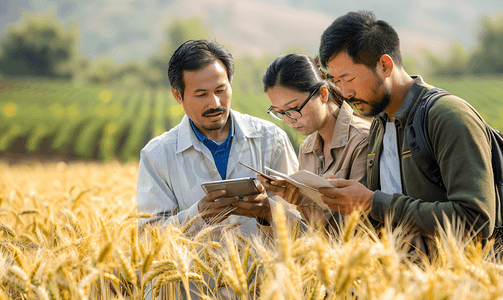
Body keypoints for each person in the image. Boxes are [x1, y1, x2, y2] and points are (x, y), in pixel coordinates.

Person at [316, 11, 497, 247]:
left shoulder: (447, 116)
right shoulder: (379, 126)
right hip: (403, 281)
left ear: (385, 65)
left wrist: (373, 202)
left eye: (348, 79)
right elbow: (388, 219)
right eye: (336, 81)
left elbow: (477, 221)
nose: (345, 93)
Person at [136, 40, 299, 235]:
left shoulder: (272, 140)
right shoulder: (158, 155)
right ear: (177, 95)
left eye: (220, 91)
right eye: (201, 94)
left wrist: (268, 211)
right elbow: (147, 235)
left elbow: (304, 221)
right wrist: (197, 216)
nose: (214, 103)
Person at [256, 52, 371, 229]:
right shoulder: (306, 148)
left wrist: (302, 199)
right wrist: (271, 208)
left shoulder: (362, 140)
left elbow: (359, 222)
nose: (288, 120)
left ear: (323, 94)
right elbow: (311, 231)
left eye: (293, 109)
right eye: (279, 112)